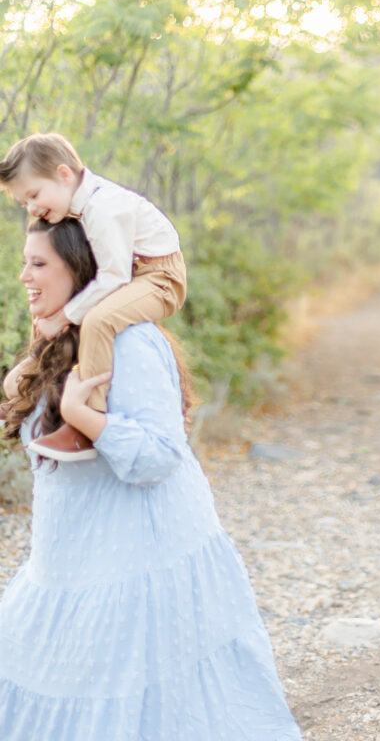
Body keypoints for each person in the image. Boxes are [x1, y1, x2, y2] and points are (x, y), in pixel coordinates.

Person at [0, 217, 303, 741]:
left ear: (84, 270)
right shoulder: (55, 340)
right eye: (25, 262)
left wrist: (85, 416)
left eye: (39, 263)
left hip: (139, 561)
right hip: (69, 564)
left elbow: (160, 455)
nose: (25, 276)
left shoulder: (133, 342)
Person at [0, 132, 187, 461]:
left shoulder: (103, 207)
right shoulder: (79, 206)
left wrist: (64, 317)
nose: (31, 208)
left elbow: (114, 277)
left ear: (63, 175)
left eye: (34, 195)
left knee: (98, 319)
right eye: (23, 202)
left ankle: (85, 423)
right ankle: (30, 390)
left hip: (159, 276)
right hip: (133, 272)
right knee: (49, 305)